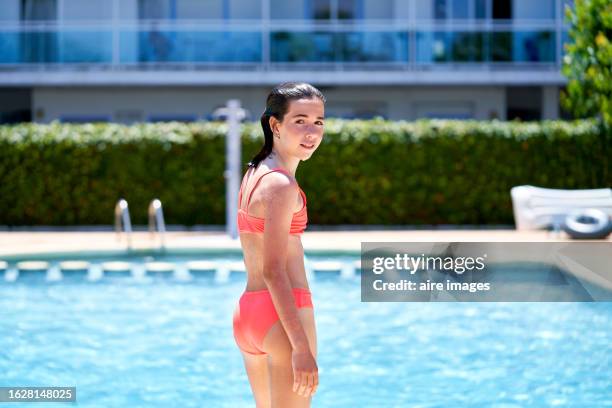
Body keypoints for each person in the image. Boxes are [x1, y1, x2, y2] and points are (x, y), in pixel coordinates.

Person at [232, 82, 326, 407]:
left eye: (318, 122)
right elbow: (274, 270)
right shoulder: (281, 185)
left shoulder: (255, 173)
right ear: (275, 125)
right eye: (300, 120)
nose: (311, 131)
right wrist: (300, 347)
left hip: (248, 314)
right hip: (283, 318)